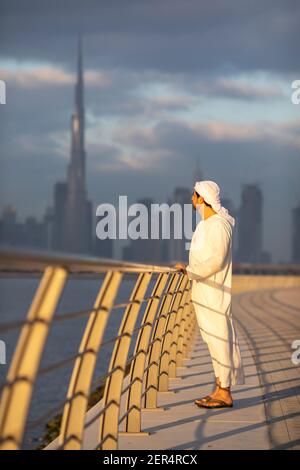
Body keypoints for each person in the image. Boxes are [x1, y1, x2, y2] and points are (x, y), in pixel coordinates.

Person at [175, 180, 244, 408]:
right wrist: (189, 269)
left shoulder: (218, 224)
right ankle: (219, 389)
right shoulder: (207, 224)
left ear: (202, 198)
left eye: (194, 195)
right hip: (204, 292)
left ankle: (225, 393)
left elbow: (216, 260)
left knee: (219, 339)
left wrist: (191, 271)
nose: (191, 199)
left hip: (214, 292)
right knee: (213, 341)